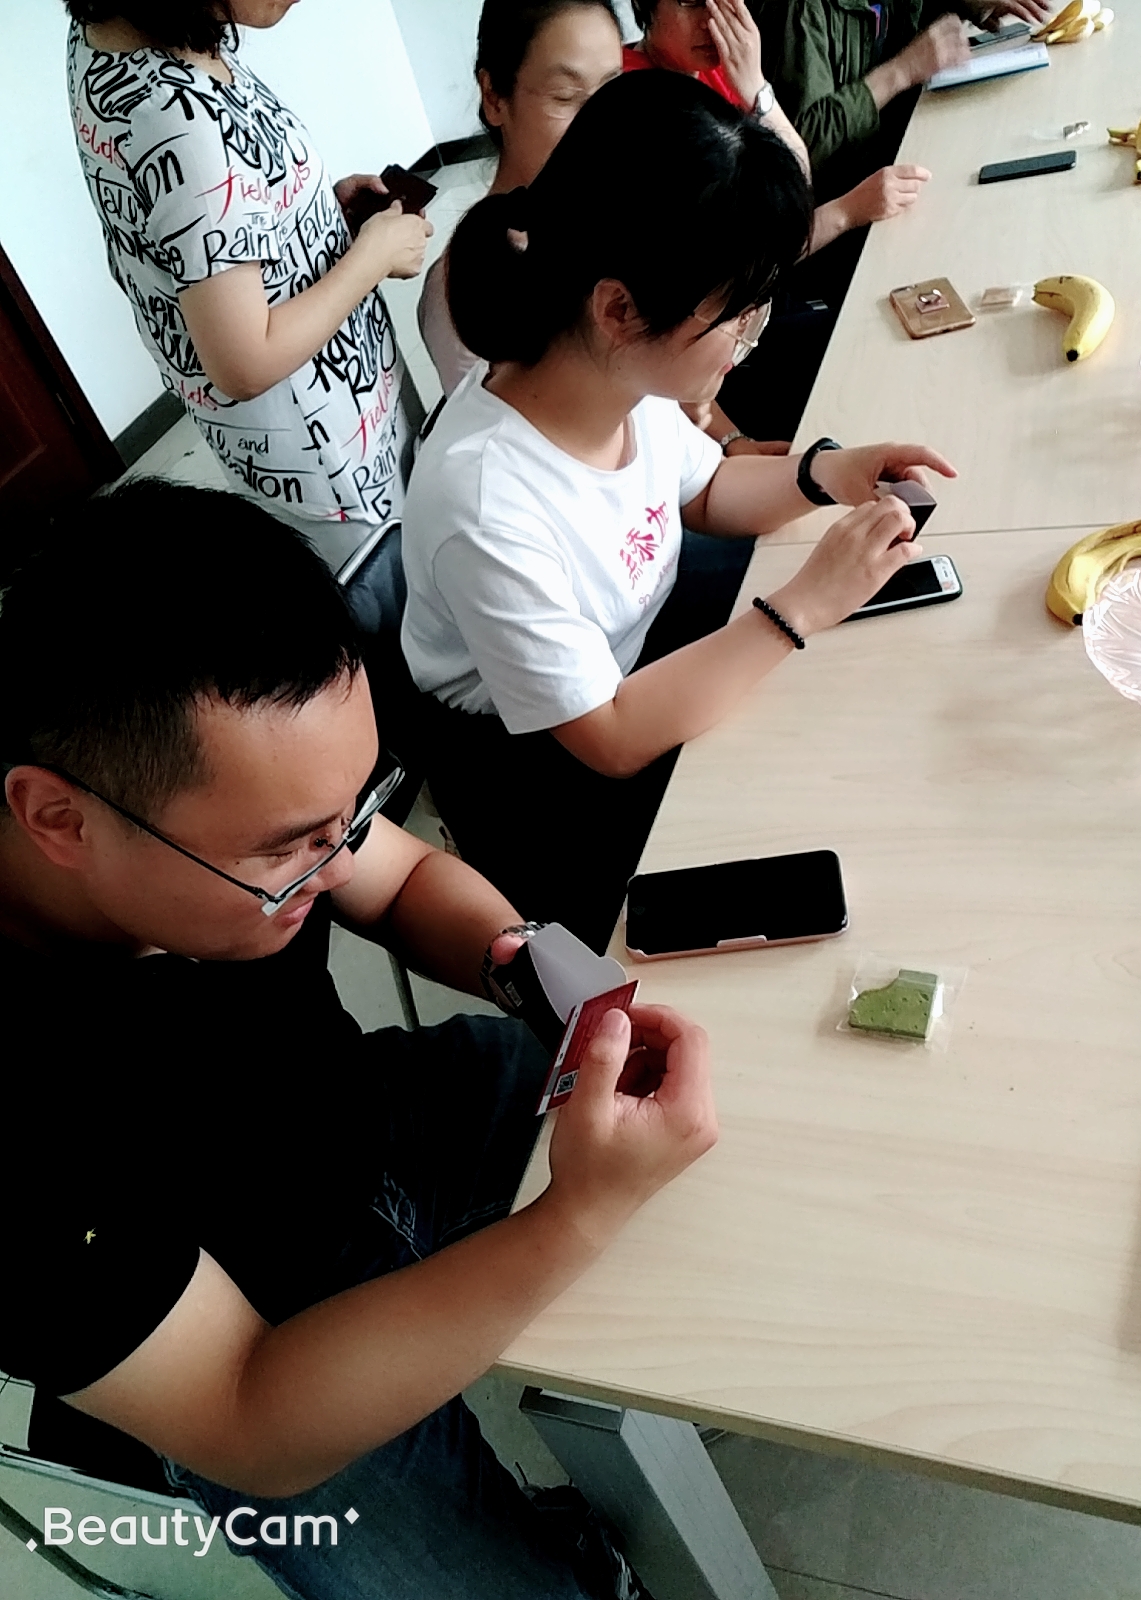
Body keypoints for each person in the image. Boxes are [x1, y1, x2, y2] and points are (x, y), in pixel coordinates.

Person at [0, 477, 717, 1600]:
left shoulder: (252, 804)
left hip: (373, 1116)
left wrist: (531, 970)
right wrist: (575, 1215)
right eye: (289, 849)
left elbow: (400, 875)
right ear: (59, 821)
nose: (334, 862)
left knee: (720, 1174)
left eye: (355, 809)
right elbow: (245, 1411)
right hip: (239, 1329)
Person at [401, 71, 955, 952]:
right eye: (736, 314)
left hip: (639, 660)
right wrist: (802, 606)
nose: (745, 339)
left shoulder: (610, 374)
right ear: (620, 309)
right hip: (548, 768)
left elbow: (705, 491)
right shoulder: (485, 500)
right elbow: (611, 737)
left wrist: (828, 473)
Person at [66, 0, 434, 564]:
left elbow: (194, 232)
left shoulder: (125, 27)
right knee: (403, 584)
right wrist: (372, 258)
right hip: (332, 451)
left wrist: (309, 211)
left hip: (320, 412)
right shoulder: (177, 120)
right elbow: (244, 362)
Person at [419, 0, 784, 456]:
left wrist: (730, 442)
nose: (602, 125)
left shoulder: (622, 212)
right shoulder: (471, 287)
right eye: (565, 97)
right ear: (494, 96)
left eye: (612, 90)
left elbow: (678, 390)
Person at [623, 0, 931, 441]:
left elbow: (790, 193)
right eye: (690, 3)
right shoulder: (639, 100)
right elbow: (752, 254)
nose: (713, 20)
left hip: (753, 317)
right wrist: (848, 211)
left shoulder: (713, 69)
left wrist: (755, 86)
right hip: (715, 358)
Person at [751, 0, 1057, 182]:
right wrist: (902, 71)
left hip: (907, 145)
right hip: (848, 200)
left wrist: (969, 3)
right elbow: (797, 150)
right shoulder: (797, 10)